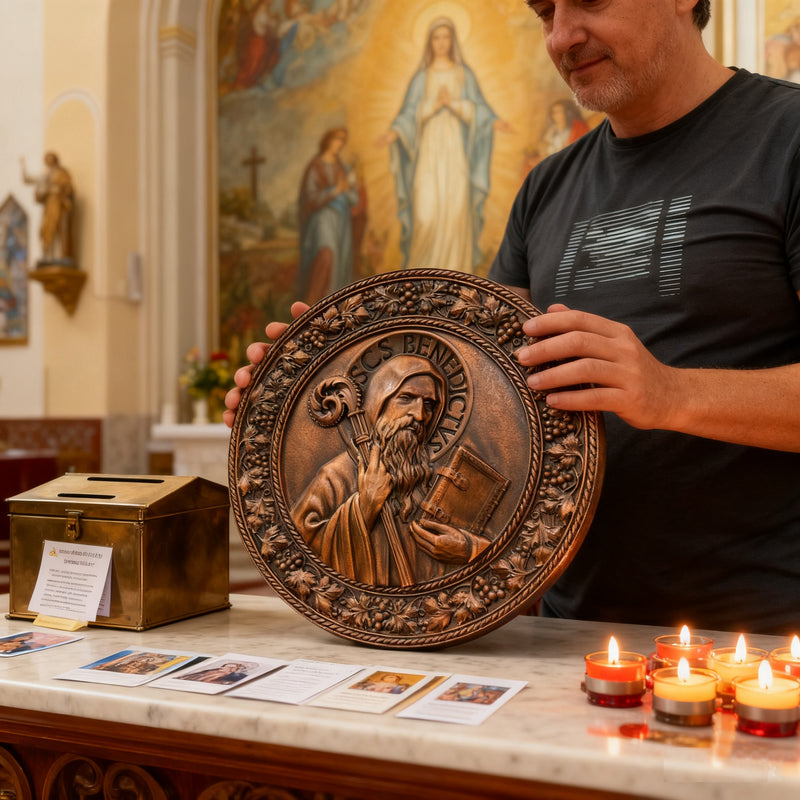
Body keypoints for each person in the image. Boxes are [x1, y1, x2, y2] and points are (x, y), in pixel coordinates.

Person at [227, 0, 800, 635]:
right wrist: (297, 402)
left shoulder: (786, 138)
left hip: (762, 639)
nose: (562, 37)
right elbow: (492, 403)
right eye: (545, 11)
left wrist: (670, 393)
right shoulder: (546, 188)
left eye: (589, 0)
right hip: (567, 632)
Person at [291, 354, 489, 586]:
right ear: (379, 402)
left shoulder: (436, 479)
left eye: (428, 404)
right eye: (406, 398)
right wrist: (364, 507)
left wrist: (470, 550)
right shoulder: (335, 477)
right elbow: (295, 556)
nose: (420, 415)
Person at [377, 16, 509, 273]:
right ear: (429, 42)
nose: (441, 42)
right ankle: (419, 279)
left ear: (452, 41)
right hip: (427, 152)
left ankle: (456, 278)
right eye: (436, 38)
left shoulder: (463, 75)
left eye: (445, 37)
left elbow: (481, 110)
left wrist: (455, 105)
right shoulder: (421, 78)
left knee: (457, 210)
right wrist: (403, 126)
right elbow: (407, 115)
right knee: (425, 215)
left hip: (456, 153)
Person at [295, 127, 364, 304]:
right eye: (337, 139)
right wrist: (335, 191)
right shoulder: (316, 167)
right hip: (322, 218)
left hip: (342, 221)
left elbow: (354, 199)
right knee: (327, 255)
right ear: (328, 140)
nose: (340, 144)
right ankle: (314, 304)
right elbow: (310, 198)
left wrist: (348, 188)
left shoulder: (344, 169)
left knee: (341, 263)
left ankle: (335, 306)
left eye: (343, 140)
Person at [20, 152, 74, 264]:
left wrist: (61, 193)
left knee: (58, 227)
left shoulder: (61, 173)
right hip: (49, 204)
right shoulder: (45, 174)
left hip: (58, 203)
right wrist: (23, 167)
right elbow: (28, 180)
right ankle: (49, 256)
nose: (49, 161)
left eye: (51, 159)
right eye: (47, 159)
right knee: (47, 228)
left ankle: (60, 255)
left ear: (55, 160)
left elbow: (68, 188)